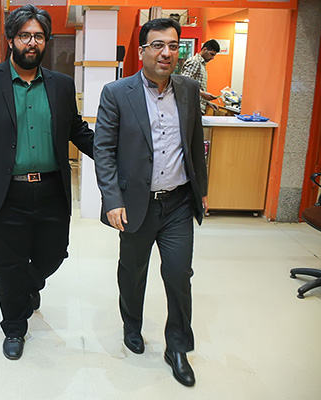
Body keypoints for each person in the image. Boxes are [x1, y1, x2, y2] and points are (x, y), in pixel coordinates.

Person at [0, 5, 93, 360]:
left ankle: (29, 284)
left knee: (54, 253)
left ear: (46, 41)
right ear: (10, 39)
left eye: (39, 36)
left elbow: (76, 130)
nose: (32, 42)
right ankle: (14, 326)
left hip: (51, 190)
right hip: (3, 192)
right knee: (7, 263)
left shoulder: (61, 85)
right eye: (25, 35)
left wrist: (114, 152)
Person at [94, 18, 208, 387]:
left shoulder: (188, 89)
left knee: (178, 274)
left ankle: (178, 347)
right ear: (142, 51)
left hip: (178, 203)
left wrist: (202, 189)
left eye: (173, 45)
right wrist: (112, 199)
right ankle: (132, 325)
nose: (166, 53)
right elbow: (103, 150)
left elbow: (194, 143)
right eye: (158, 45)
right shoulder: (117, 92)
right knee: (132, 272)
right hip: (135, 204)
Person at [181, 39, 220, 114]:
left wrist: (207, 102)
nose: (212, 58)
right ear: (204, 49)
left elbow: (198, 86)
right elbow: (184, 84)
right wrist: (202, 93)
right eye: (211, 54)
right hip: (191, 107)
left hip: (196, 107)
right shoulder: (194, 62)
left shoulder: (202, 64)